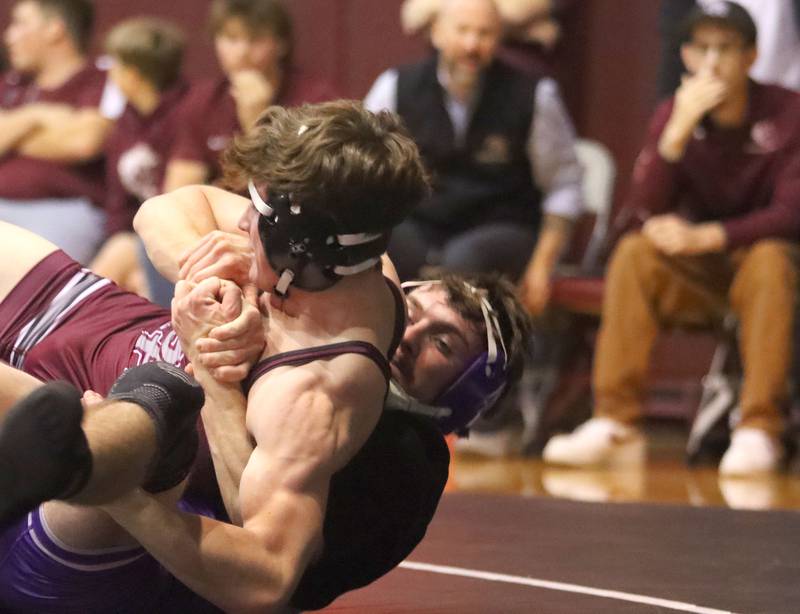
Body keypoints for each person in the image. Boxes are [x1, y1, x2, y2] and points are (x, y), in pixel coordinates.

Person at [0, 100, 530, 611]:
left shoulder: (326, 398)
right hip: (102, 332)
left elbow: (270, 581)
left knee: (156, 405)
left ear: (297, 248)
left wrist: (211, 369)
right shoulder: (350, 255)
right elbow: (165, 208)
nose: (241, 223)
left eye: (443, 343)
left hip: (134, 446)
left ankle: (73, 456)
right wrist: (202, 268)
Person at [543, 2, 800, 476]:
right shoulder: (672, 113)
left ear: (751, 56)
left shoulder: (788, 112)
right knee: (636, 254)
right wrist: (674, 140)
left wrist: (710, 235)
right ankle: (615, 424)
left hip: (766, 271)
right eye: (701, 48)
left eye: (725, 49)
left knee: (769, 258)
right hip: (701, 274)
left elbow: (791, 215)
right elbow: (638, 216)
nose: (712, 62)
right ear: (684, 56)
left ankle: (758, 429)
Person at [365, 0, 583, 318]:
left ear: (499, 39)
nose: (472, 45)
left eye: (484, 34)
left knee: (462, 262)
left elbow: (564, 185)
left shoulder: (535, 95)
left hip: (501, 225)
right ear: (436, 33)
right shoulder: (396, 86)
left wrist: (542, 267)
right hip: (422, 222)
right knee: (377, 242)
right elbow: (364, 164)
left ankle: (455, 357)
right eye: (462, 31)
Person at [0, 0, 125, 263]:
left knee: (21, 274)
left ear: (54, 29)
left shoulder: (103, 77)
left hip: (65, 210)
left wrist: (12, 131)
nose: (8, 36)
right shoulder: (12, 83)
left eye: (20, 23)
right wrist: (36, 115)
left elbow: (83, 142)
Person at [88, 17, 188, 295]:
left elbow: (182, 197)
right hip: (138, 238)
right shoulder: (125, 122)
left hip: (179, 235)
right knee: (121, 252)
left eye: (114, 65)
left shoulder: (187, 113)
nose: (109, 74)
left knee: (122, 254)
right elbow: (118, 202)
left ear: (133, 73)